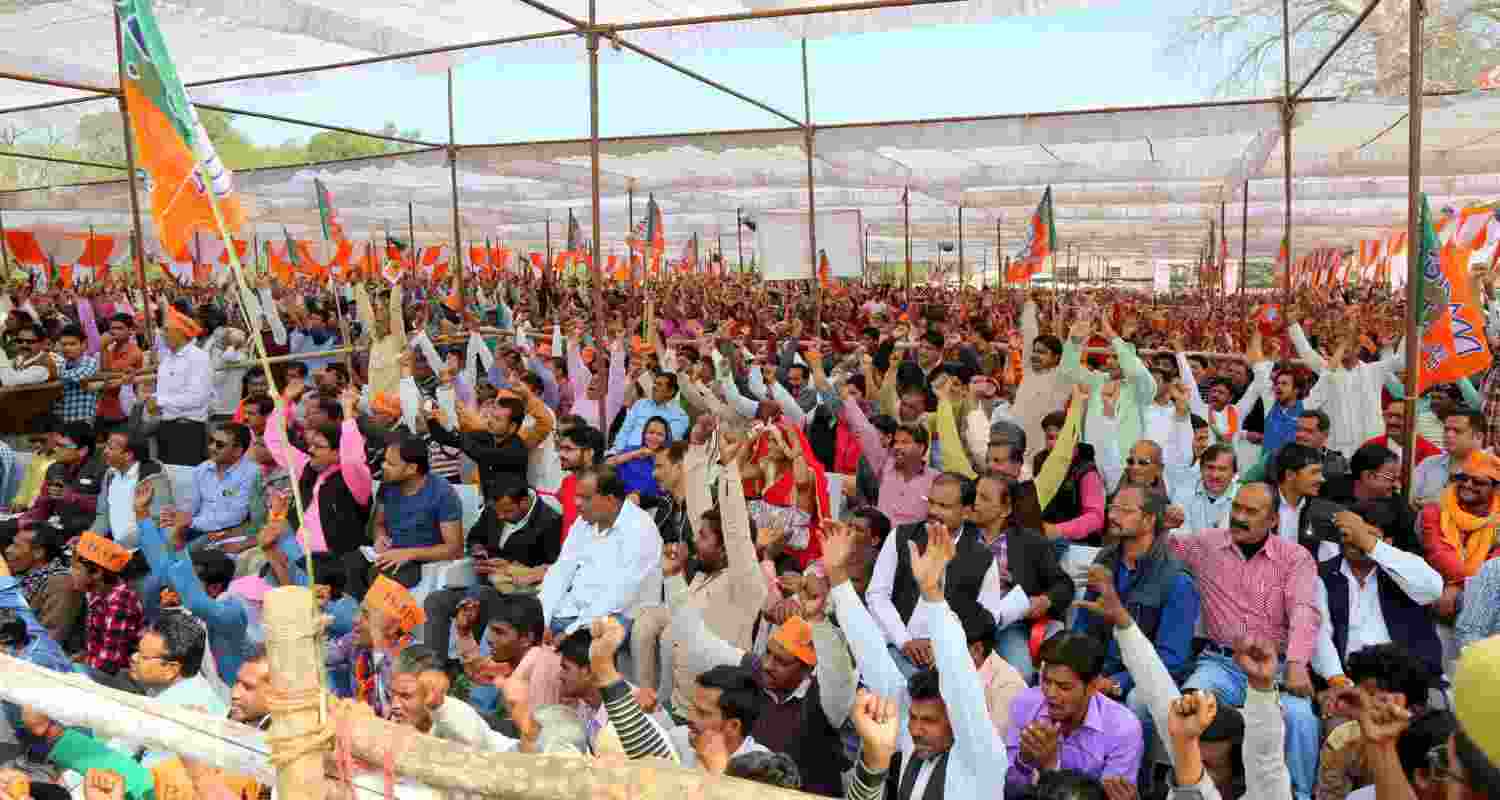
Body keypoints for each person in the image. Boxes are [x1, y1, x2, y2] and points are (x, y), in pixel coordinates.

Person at [826, 517, 1010, 799]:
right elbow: (872, 654)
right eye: (913, 717)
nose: (916, 729)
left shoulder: (981, 754)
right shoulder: (915, 741)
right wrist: (838, 578)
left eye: (930, 721)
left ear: (955, 720)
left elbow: (960, 681)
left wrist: (932, 594)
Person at [1170, 482, 1320, 800]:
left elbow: (1304, 611)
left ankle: (1300, 796)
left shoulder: (1295, 558)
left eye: (1251, 511)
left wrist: (1296, 663)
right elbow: (1160, 549)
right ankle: (1189, 791)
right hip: (1220, 664)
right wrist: (1161, 522)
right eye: (1236, 507)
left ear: (1273, 520)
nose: (1239, 516)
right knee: (1188, 707)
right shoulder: (1206, 544)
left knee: (1301, 719)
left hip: (1275, 668)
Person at [1073, 487, 1200, 756]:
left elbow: (1171, 659)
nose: (1113, 516)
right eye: (1113, 508)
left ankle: (1133, 777)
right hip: (1100, 667)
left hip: (1142, 677)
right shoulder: (1105, 559)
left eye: (1125, 510)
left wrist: (1116, 682)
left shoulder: (1176, 579)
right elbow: (1084, 624)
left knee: (1137, 700)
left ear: (1149, 519)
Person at [423, 472, 562, 660]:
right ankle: (434, 666)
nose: (500, 516)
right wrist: (479, 551)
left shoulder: (549, 522)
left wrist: (510, 568)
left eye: (507, 511)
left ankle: (476, 662)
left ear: (523, 502)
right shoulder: (495, 508)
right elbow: (475, 537)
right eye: (498, 511)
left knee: (478, 597)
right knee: (436, 600)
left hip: (514, 597)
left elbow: (551, 569)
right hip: (481, 583)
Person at [1311, 504, 1444, 684]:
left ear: (1388, 542)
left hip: (1406, 680)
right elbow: (1319, 634)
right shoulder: (1322, 574)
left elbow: (1433, 589)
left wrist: (1369, 544)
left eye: (1368, 534)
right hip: (1345, 680)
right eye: (1349, 533)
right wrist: (1336, 677)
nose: (1355, 540)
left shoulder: (1403, 567)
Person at [1003, 631, 1144, 794]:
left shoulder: (1123, 729)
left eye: (1064, 687)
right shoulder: (1025, 704)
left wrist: (1050, 768)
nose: (1050, 693)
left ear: (1093, 686)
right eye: (1046, 681)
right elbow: (1007, 791)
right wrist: (1023, 762)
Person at [969, 473, 1075, 681]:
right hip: (964, 623)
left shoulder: (1030, 542)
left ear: (1005, 510)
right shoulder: (958, 536)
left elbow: (1063, 585)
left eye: (984, 498)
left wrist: (1045, 600)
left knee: (1021, 674)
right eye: (974, 496)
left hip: (1008, 625)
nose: (975, 503)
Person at [537, 465, 662, 635]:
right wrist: (542, 620)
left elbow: (619, 596)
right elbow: (561, 571)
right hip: (573, 612)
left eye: (585, 498)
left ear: (610, 500)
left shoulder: (640, 528)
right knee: (519, 626)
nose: (577, 503)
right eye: (577, 496)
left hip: (617, 618)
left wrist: (570, 631)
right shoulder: (584, 521)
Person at [346, 436, 463, 599]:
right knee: (349, 563)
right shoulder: (387, 485)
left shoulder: (442, 493)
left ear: (411, 468)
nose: (383, 466)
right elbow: (379, 524)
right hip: (389, 553)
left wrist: (408, 554)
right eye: (384, 461)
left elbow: (454, 549)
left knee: (381, 574)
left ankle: (373, 612)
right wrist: (380, 537)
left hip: (421, 560)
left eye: (391, 464)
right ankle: (355, 611)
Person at [1420, 450, 1500, 622]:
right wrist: (1459, 585)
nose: (1468, 485)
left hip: (1481, 601)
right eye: (1463, 478)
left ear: (1495, 488)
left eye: (1478, 482)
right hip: (1437, 594)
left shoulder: (1498, 520)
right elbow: (1439, 554)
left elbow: (1494, 566)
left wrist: (1458, 587)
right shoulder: (1435, 510)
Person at [69, 531, 143, 676]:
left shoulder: (120, 603)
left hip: (119, 676)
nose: (71, 572)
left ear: (97, 573)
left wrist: (78, 670)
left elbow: (109, 664)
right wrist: (84, 656)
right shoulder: (97, 593)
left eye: (76, 568)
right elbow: (97, 643)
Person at [183, 423, 264, 554]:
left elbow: (236, 516)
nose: (212, 447)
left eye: (219, 445)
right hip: (196, 528)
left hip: (228, 533)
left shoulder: (252, 473)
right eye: (211, 441)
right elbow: (190, 505)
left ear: (237, 451)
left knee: (185, 554)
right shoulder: (202, 469)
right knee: (162, 540)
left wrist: (192, 522)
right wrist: (180, 522)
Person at [151, 306, 215, 466]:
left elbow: (197, 398)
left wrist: (159, 402)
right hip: (166, 427)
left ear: (180, 332)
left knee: (187, 476)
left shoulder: (198, 358)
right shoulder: (166, 359)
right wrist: (151, 400)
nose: (162, 334)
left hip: (188, 431)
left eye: (166, 330)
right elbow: (163, 394)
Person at [90, 431, 175, 550]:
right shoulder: (110, 475)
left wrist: (120, 546)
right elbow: (103, 515)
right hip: (118, 550)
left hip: (147, 552)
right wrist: (89, 540)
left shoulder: (154, 479)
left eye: (111, 448)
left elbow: (159, 522)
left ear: (128, 455)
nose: (105, 451)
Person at [2, 526, 78, 645]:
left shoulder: (60, 584)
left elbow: (50, 639)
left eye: (16, 546)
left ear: (38, 553)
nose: (8, 550)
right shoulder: (22, 575)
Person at [1413, 409, 1487, 508]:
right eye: (1446, 429)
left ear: (1478, 436)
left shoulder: (1493, 469)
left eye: (1457, 431)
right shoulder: (1429, 463)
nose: (1448, 435)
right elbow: (1409, 498)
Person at [50, 325, 100, 426]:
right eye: (64, 344)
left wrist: (53, 374)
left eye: (72, 344)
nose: (67, 348)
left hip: (81, 420)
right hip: (61, 420)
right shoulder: (60, 363)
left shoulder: (90, 362)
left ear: (83, 345)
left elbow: (76, 377)